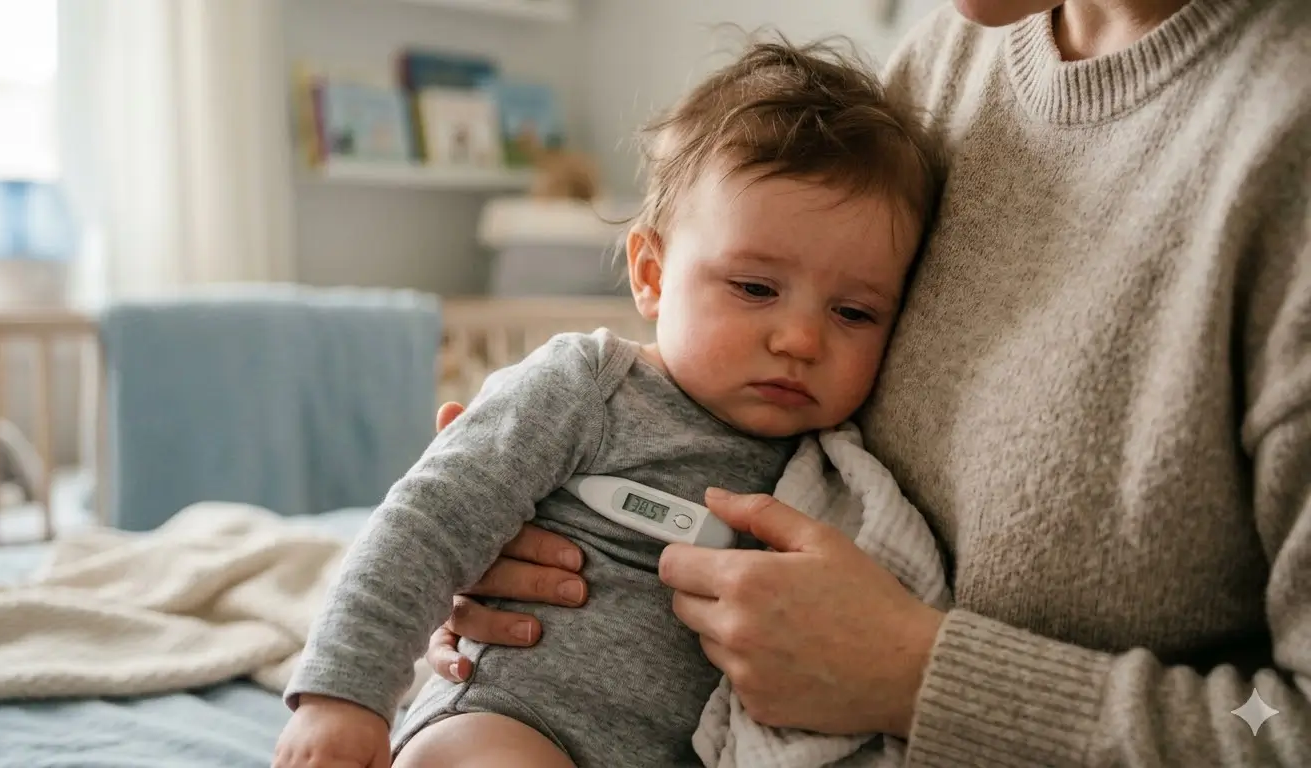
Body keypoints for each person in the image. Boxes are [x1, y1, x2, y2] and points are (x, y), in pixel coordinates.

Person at [425, 0, 1311, 765]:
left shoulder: (1282, 151)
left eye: (854, 314)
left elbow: (1286, 729)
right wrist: (512, 516)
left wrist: (921, 679)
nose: (803, 339)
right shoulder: (940, 74)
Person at [272, 38, 943, 768]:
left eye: (854, 313)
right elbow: (426, 523)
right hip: (515, 717)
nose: (801, 339)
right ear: (652, 275)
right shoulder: (588, 388)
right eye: (754, 289)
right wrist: (343, 693)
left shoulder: (839, 467)